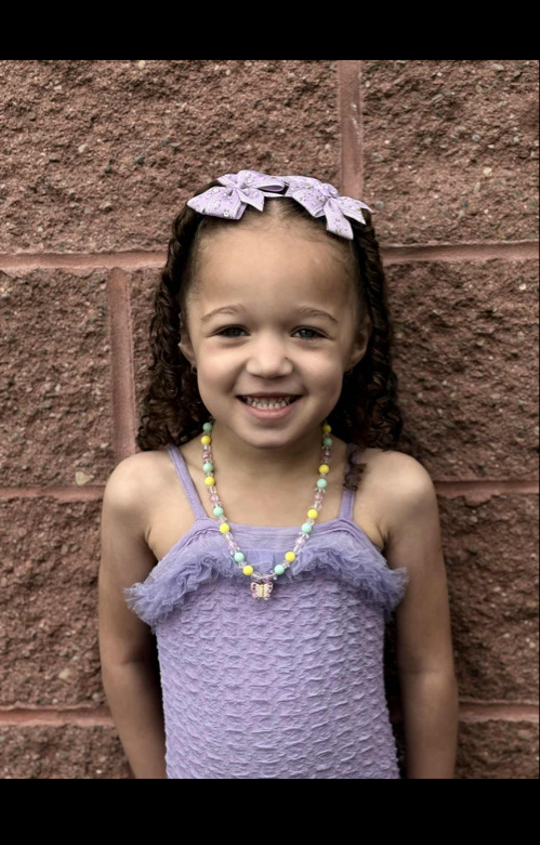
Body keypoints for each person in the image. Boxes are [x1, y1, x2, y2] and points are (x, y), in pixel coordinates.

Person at [98, 169, 459, 779]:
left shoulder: (392, 490)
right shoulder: (143, 492)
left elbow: (427, 670)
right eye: (232, 330)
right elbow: (123, 658)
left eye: (307, 331)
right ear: (187, 339)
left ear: (356, 341)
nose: (269, 362)